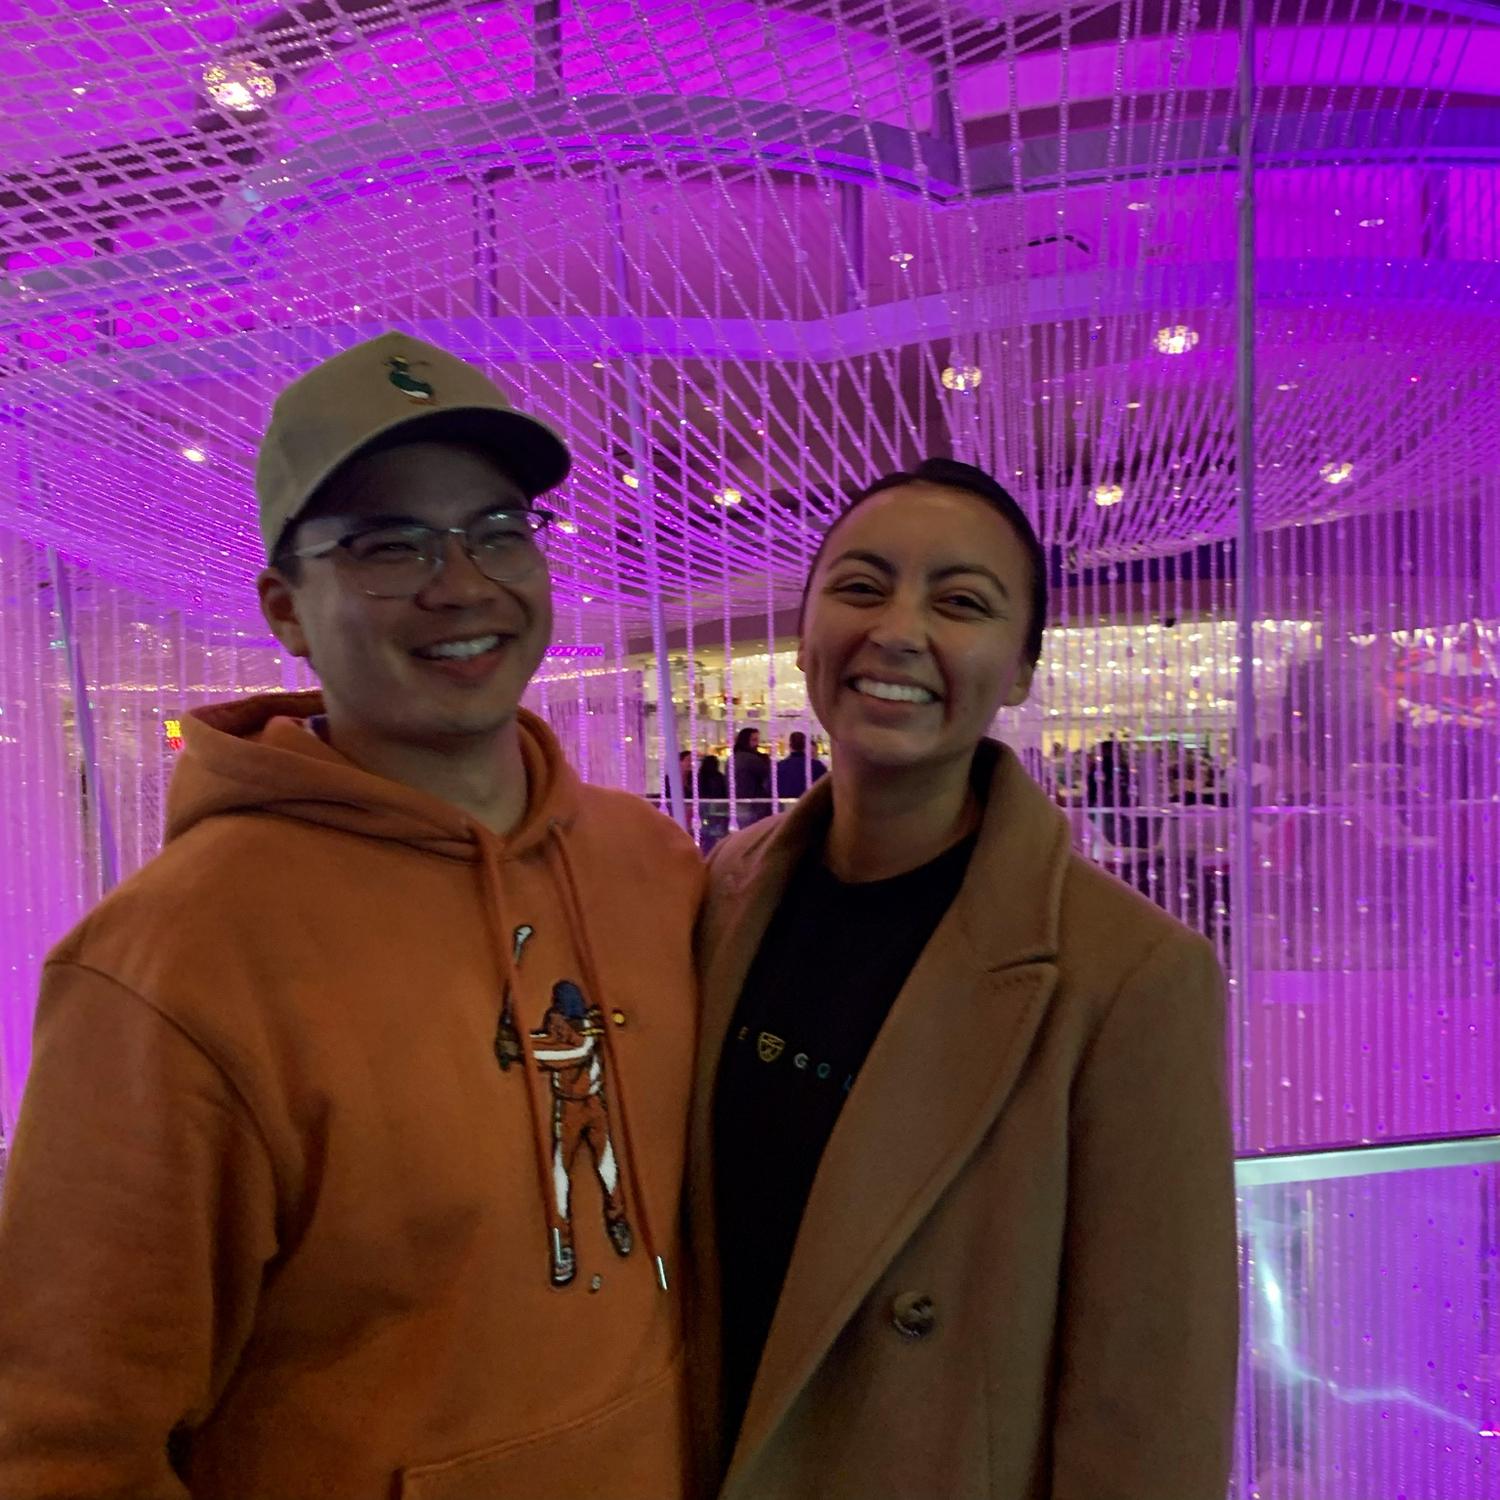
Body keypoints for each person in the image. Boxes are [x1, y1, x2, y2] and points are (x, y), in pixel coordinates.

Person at [0, 332, 704, 1500]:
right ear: (286, 609)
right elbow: (66, 1444)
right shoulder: (171, 959)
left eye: (497, 531)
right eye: (388, 546)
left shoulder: (653, 866)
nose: (461, 584)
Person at [687, 457, 1237, 1499]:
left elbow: (1150, 1400)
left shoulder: (1127, 974)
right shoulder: (725, 893)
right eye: (861, 586)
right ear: (802, 634)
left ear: (1021, 669)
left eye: (962, 603)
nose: (897, 631)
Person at [730, 725, 772, 827]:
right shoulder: (752, 759)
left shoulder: (732, 759)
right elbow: (767, 779)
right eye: (754, 740)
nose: (757, 743)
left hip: (737, 804)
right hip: (755, 805)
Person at [773, 730, 827, 801]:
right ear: (805, 746)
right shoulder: (817, 766)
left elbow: (769, 788)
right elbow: (826, 788)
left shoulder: (779, 766)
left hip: (785, 805)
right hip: (811, 804)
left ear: (790, 746)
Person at [696, 753, 731, 855]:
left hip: (703, 808)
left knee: (705, 831)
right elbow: (723, 792)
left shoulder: (699, 777)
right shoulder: (718, 777)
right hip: (718, 808)